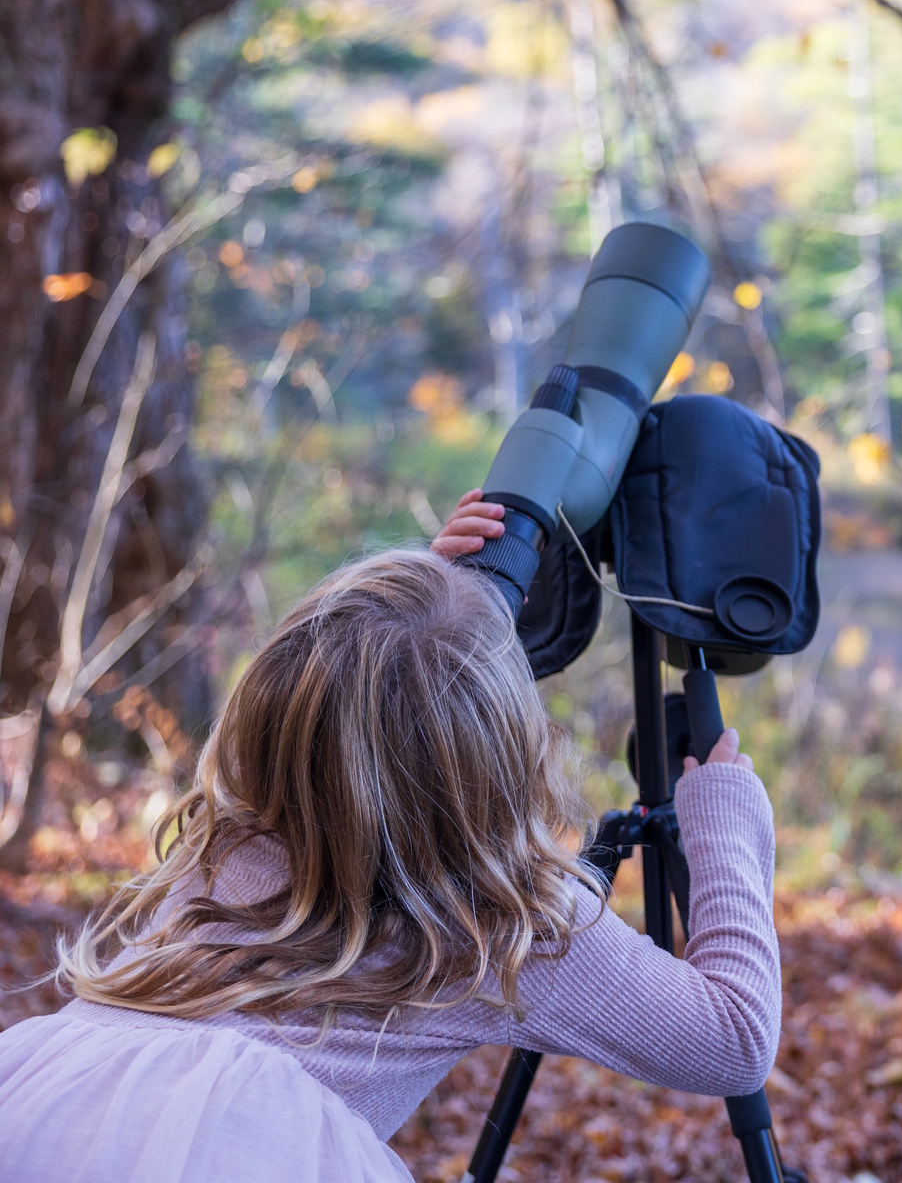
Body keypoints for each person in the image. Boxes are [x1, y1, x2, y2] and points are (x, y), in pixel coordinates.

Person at [0, 496, 780, 1182]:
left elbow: (364, 707)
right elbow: (735, 1039)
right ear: (503, 756)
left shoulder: (224, 843)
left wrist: (429, 603)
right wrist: (726, 827)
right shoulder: (495, 927)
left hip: (50, 1116)